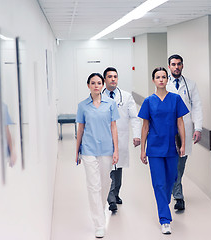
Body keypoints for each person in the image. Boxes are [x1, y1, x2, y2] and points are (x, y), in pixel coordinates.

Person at [138, 67, 189, 234]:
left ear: (167, 80)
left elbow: (180, 123)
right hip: (154, 148)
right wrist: (143, 150)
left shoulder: (175, 99)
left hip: (172, 147)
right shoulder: (148, 101)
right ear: (153, 80)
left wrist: (183, 144)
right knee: (158, 183)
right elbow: (145, 126)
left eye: (163, 77)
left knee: (172, 179)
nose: (161, 79)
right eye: (158, 77)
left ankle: (165, 200)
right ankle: (165, 219)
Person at [75, 73, 120, 238]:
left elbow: (114, 127)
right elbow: (80, 129)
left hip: (107, 149)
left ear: (102, 85)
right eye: (92, 83)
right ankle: (99, 224)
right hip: (88, 150)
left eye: (98, 83)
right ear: (88, 85)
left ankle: (99, 209)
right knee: (93, 186)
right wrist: (77, 151)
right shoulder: (82, 106)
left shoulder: (111, 104)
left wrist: (116, 150)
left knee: (105, 183)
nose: (96, 85)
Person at [166, 54, 203, 211]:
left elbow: (197, 106)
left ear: (182, 66)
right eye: (173, 64)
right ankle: (178, 196)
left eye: (179, 64)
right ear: (169, 66)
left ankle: (177, 194)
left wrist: (198, 127)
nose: (176, 67)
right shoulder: (162, 83)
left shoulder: (191, 85)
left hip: (185, 130)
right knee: (170, 164)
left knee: (180, 165)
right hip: (167, 130)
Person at [102, 67, 141, 212]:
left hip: (121, 137)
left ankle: (115, 193)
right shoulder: (98, 96)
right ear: (104, 79)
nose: (113, 79)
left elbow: (135, 117)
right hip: (104, 138)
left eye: (115, 77)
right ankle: (111, 198)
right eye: (110, 77)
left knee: (118, 168)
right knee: (108, 168)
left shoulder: (126, 96)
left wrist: (137, 135)